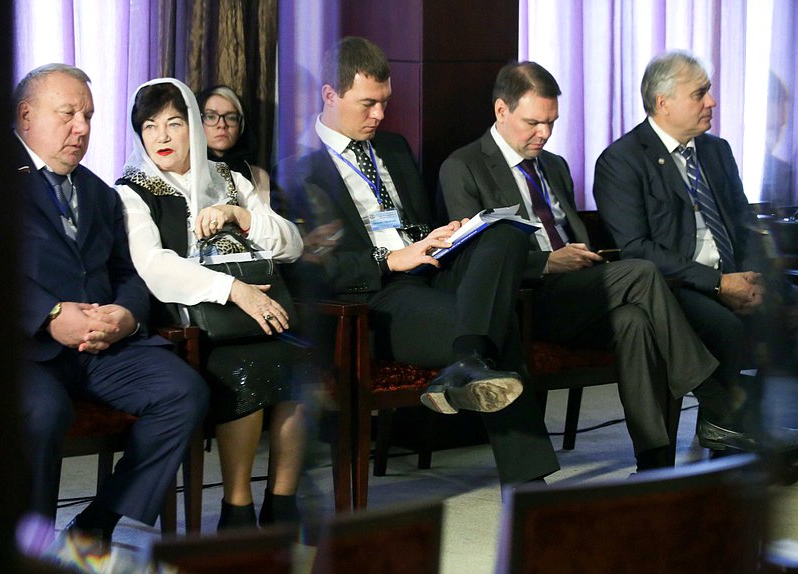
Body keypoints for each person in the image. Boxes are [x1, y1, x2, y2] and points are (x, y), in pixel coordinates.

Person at [276, 37, 560, 485]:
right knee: (496, 326)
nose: (379, 115)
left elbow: (418, 224)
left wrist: (446, 235)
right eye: (367, 104)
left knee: (505, 231)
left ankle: (464, 363)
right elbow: (311, 267)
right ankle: (527, 483)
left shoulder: (392, 148)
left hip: (431, 272)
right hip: (375, 298)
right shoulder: (297, 168)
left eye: (385, 103)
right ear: (329, 95)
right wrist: (388, 259)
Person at [438, 60, 746, 469]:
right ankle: (714, 398)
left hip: (582, 289)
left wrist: (580, 256)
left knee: (635, 322)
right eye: (533, 122)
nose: (544, 134)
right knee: (642, 270)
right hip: (526, 301)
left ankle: (655, 464)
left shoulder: (553, 165)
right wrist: (549, 262)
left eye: (552, 122)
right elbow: (471, 262)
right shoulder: (464, 167)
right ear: (501, 111)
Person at [12, 64, 209, 565]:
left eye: (89, 116)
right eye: (68, 114)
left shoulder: (99, 191)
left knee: (183, 393)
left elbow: (126, 273)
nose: (82, 127)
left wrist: (126, 314)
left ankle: (96, 525)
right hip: (25, 349)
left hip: (103, 345)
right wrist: (49, 313)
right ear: (26, 116)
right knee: (43, 412)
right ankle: (27, 546)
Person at [116, 78, 308, 529]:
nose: (161, 136)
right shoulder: (131, 190)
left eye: (174, 123)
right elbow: (152, 266)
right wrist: (232, 290)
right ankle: (236, 506)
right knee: (246, 366)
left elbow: (293, 245)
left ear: (194, 130)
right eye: (150, 125)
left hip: (254, 311)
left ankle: (282, 500)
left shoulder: (228, 179)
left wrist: (241, 216)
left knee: (301, 366)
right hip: (186, 322)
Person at [593, 50, 796, 450]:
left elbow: (744, 226)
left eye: (710, 91)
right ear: (663, 102)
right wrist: (720, 284)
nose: (712, 102)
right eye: (700, 93)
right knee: (726, 326)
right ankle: (730, 424)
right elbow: (637, 249)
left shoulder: (716, 151)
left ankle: (768, 422)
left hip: (735, 277)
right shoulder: (622, 160)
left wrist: (753, 280)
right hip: (676, 287)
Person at [197, 84, 259, 183]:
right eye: (210, 117)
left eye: (231, 118)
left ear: (241, 126)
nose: (222, 125)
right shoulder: (184, 172)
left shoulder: (257, 176)